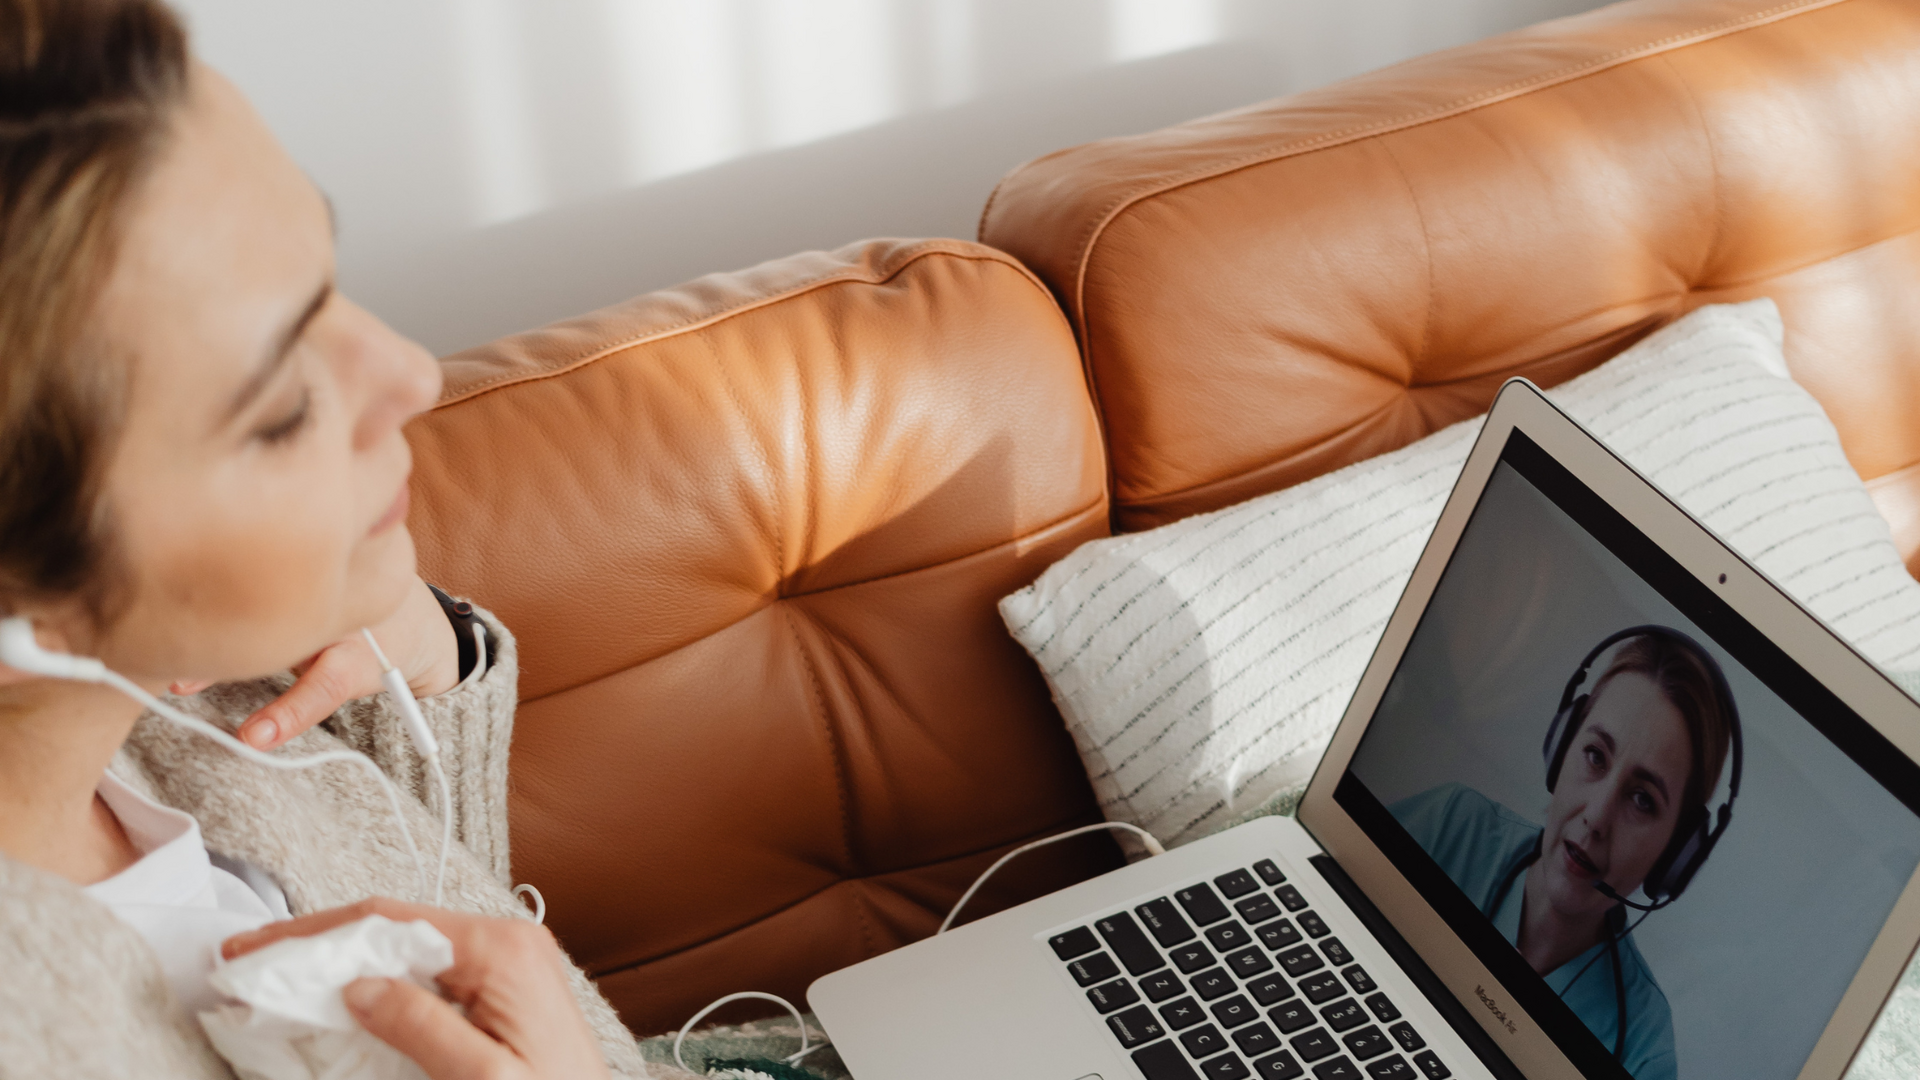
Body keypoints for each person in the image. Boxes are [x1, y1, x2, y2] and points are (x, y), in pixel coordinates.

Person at [0, 2, 699, 1076]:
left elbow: (445, 979)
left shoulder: (182, 701)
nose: (412, 372)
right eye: (282, 405)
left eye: (326, 284)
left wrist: (420, 669)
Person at [1390, 629, 1738, 1080]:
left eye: (1642, 800)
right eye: (1595, 755)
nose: (1596, 817)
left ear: (1675, 853)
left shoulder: (1643, 1049)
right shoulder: (1450, 826)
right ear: (1561, 746)